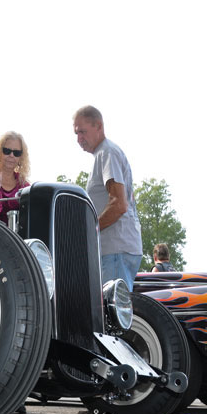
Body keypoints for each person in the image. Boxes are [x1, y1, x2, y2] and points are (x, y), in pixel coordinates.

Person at [73, 105, 142, 291]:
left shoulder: (107, 153)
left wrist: (88, 231)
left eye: (82, 132)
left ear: (99, 126)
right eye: (76, 134)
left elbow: (119, 205)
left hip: (115, 250)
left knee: (111, 308)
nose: (79, 139)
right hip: (116, 250)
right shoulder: (104, 154)